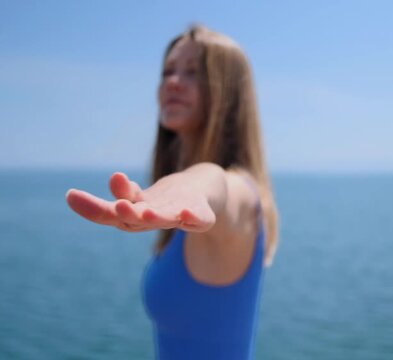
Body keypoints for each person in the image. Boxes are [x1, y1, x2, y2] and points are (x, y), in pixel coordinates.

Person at [65, 24, 279, 359]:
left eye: (194, 73)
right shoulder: (184, 215)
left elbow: (217, 184)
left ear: (229, 93)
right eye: (168, 71)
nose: (173, 82)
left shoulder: (240, 195)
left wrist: (192, 186)